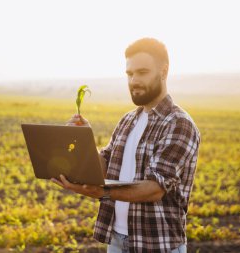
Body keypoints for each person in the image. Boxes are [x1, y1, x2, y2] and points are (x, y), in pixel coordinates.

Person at [51, 37, 200, 253]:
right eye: (129, 74)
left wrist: (100, 192)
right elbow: (105, 169)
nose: (133, 81)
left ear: (164, 72)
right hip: (118, 240)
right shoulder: (128, 120)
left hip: (157, 244)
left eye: (142, 73)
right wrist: (85, 141)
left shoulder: (179, 123)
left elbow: (154, 189)